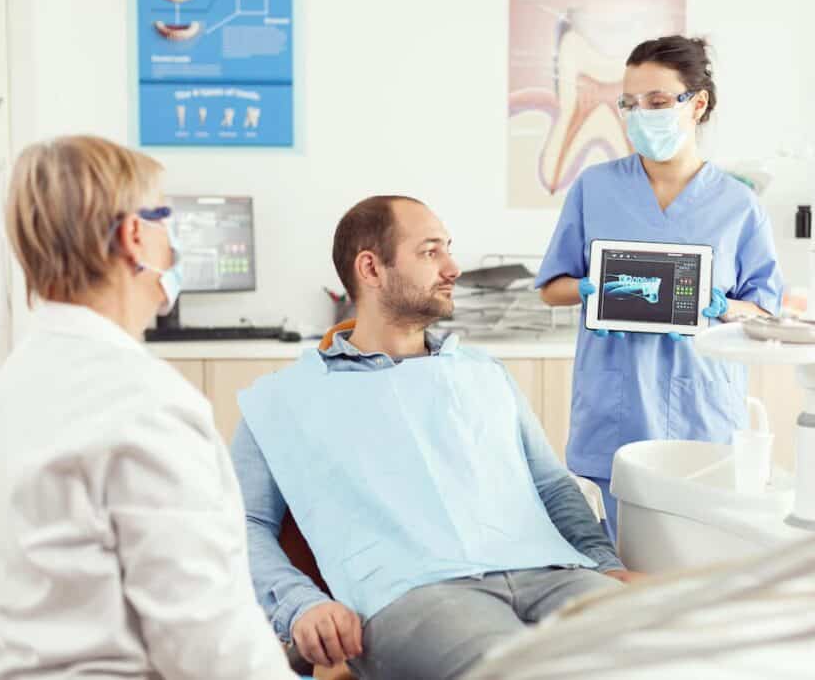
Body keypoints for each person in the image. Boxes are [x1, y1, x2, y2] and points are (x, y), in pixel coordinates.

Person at [230, 195, 646, 680]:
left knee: (669, 656)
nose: (452, 268)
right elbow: (242, 525)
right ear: (371, 268)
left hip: (555, 573)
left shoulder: (483, 372)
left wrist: (602, 562)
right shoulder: (280, 399)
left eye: (448, 249)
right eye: (431, 252)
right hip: (413, 594)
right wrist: (301, 606)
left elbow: (552, 486)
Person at [0, 135, 296, 679]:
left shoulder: (15, 382)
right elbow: (209, 647)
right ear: (133, 237)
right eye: (165, 219)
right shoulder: (143, 401)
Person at [537, 36, 784, 539]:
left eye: (656, 102)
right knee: (619, 563)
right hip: (615, 404)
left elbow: (765, 310)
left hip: (701, 408)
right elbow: (551, 288)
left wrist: (724, 306)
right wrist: (591, 288)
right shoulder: (596, 188)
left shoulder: (739, 206)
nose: (640, 115)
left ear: (697, 104)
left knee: (695, 562)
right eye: (630, 103)